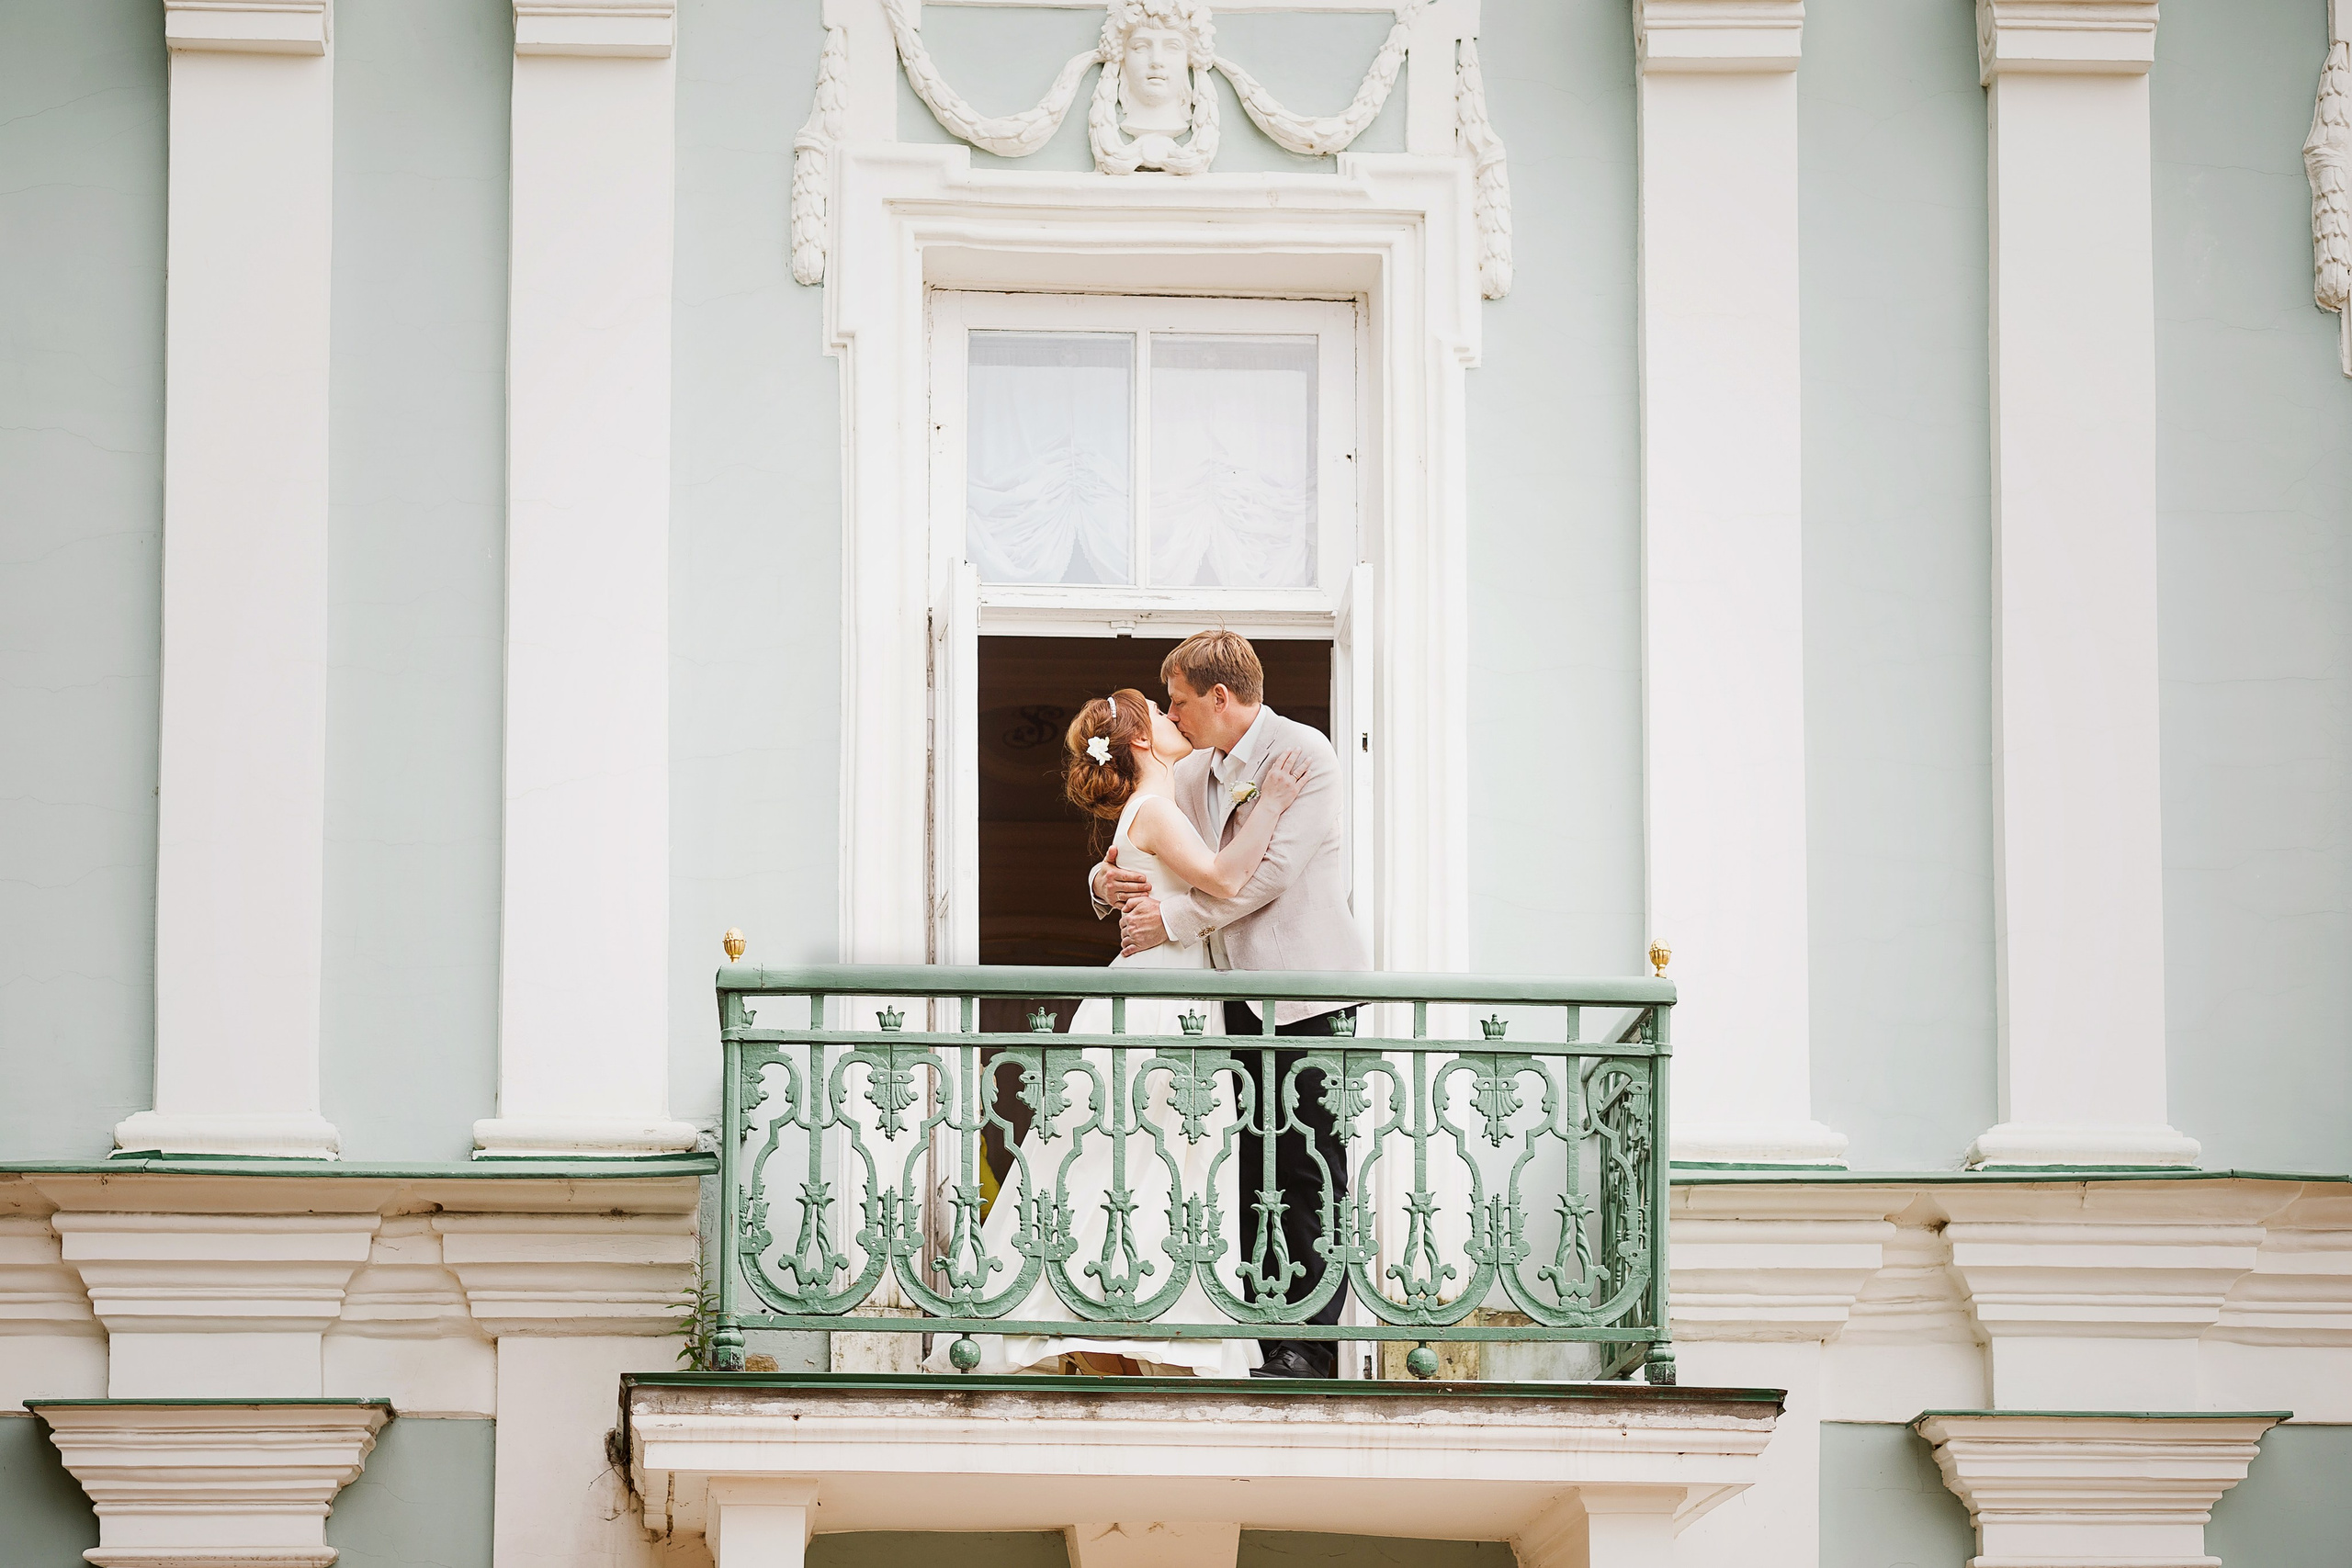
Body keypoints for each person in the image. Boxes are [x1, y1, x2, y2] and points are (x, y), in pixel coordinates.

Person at [923, 687, 1309, 1378]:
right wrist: (1275, 803)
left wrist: (1103, 883)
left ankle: (1112, 1342)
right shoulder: (1156, 808)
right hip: (1161, 1003)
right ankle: (1123, 1332)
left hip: (1156, 992)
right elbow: (1223, 877)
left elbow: (1146, 874)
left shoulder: (1149, 808)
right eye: (1161, 715)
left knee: (1121, 1166)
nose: (1172, 718)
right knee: (1143, 1165)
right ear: (1140, 741)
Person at [1091, 629, 1373, 1378]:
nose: (1173, 716)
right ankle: (1259, 1335)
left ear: (1219, 697)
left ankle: (1308, 1351)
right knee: (1249, 1170)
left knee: (1312, 1169)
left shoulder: (1306, 756)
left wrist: (1171, 921)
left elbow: (1266, 876)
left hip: (1312, 994)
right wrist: (1102, 881)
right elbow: (1143, 835)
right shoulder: (1194, 774)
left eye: (1181, 702)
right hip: (1230, 1001)